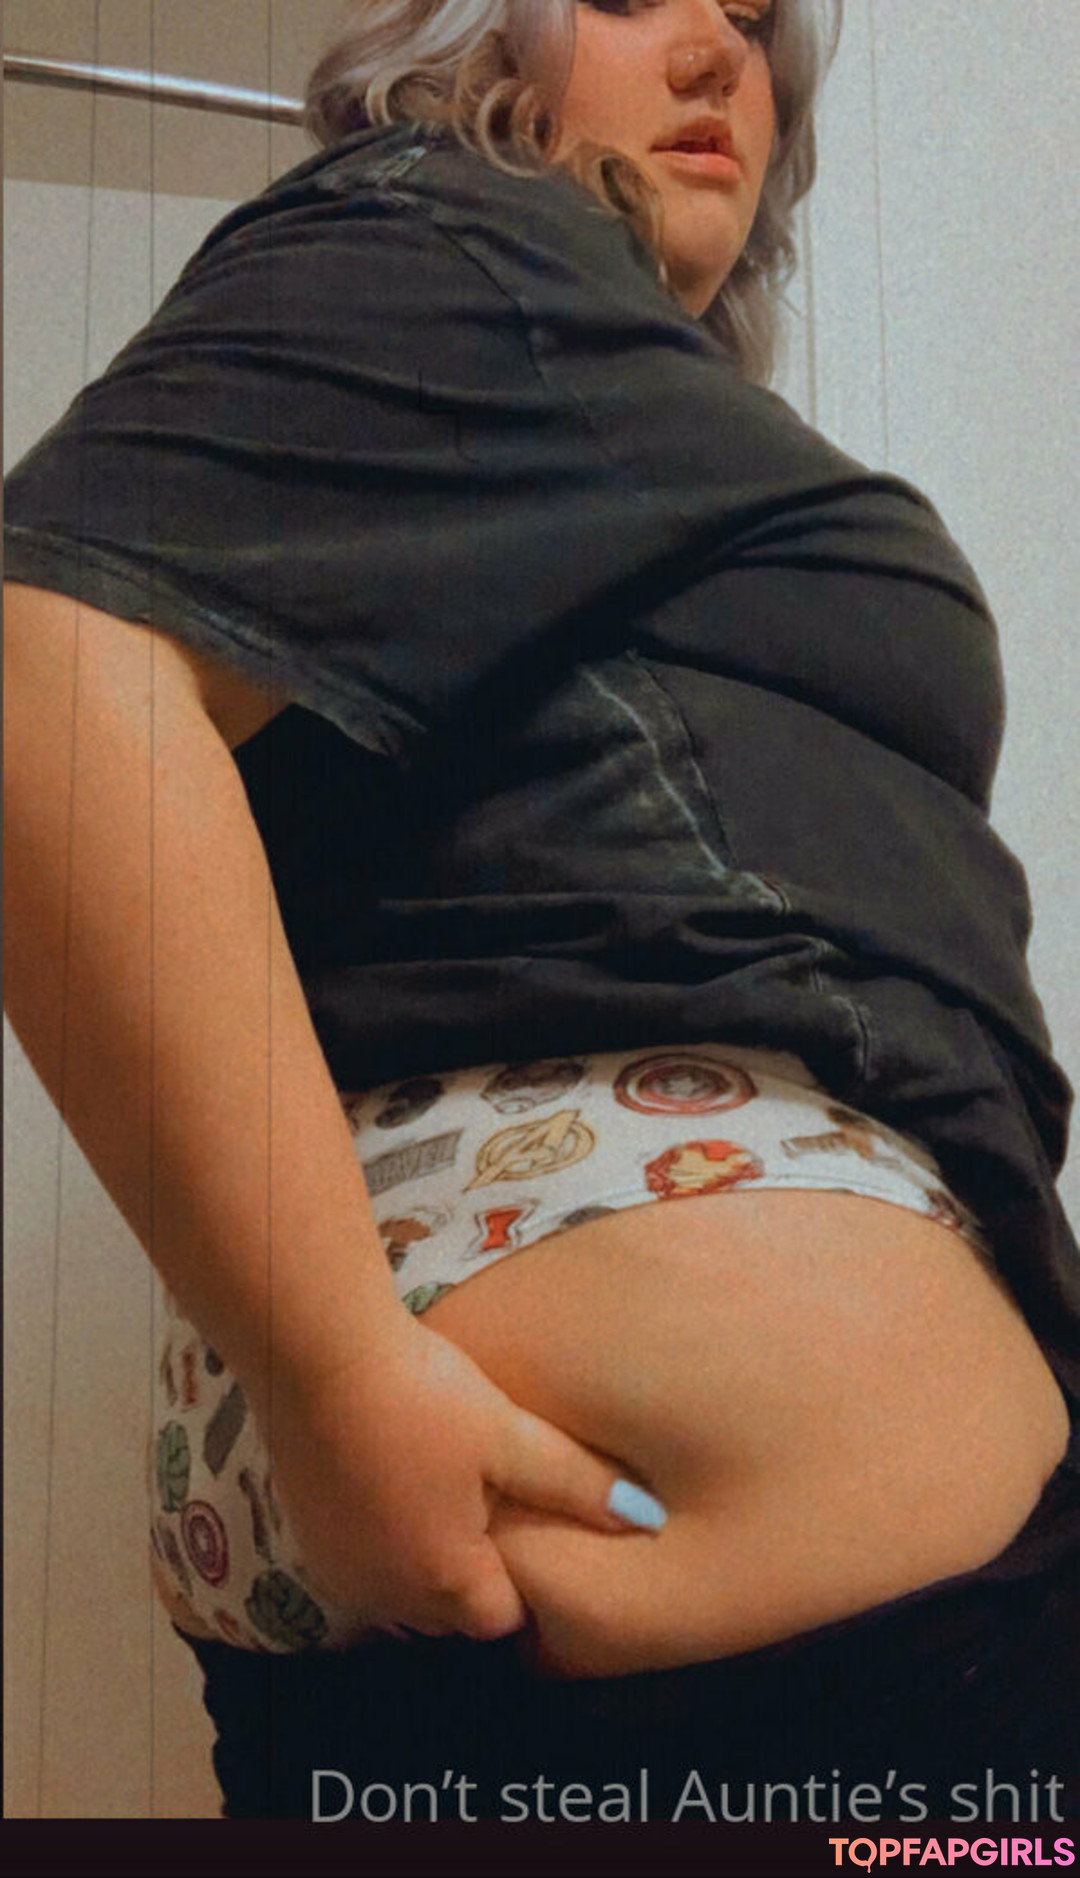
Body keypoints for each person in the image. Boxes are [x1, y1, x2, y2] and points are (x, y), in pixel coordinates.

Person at [5, 0, 1079, 1823]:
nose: (723, 54)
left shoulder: (562, 381)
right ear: (474, 36)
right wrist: (335, 1378)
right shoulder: (455, 224)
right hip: (830, 1697)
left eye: (755, 20)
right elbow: (52, 662)